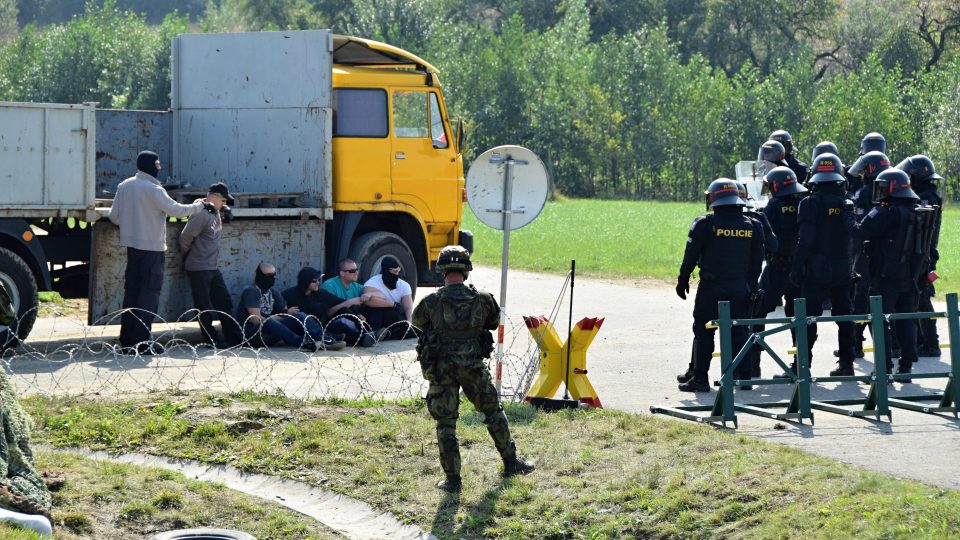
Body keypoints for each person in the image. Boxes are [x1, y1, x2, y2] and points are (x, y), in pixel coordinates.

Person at [412, 245, 535, 491]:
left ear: (441, 271)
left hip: (442, 370)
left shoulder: (431, 302)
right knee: (493, 411)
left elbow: (418, 322)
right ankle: (511, 463)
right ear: (467, 270)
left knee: (446, 423)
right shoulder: (483, 298)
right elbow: (492, 322)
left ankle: (453, 480)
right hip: (473, 367)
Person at [109, 150, 208, 355]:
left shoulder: (124, 186)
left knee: (132, 293)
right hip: (152, 249)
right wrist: (199, 206)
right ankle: (143, 341)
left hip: (132, 247)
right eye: (158, 164)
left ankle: (127, 340)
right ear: (151, 165)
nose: (159, 168)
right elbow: (178, 210)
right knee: (149, 295)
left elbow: (114, 217)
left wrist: (133, 226)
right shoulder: (154, 189)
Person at [676, 179, 764, 392]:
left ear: (713, 199)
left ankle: (700, 379)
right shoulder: (753, 225)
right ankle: (743, 377)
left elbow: (690, 256)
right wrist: (750, 288)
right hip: (739, 287)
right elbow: (756, 263)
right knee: (739, 331)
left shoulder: (705, 224)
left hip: (711, 287)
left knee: (704, 330)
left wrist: (682, 280)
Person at [854, 169, 934, 382]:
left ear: (891, 189)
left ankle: (884, 367)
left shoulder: (884, 212)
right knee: (904, 320)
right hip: (911, 277)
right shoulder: (917, 212)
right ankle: (905, 368)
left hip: (886, 277)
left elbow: (861, 231)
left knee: (879, 320)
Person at [787, 153, 857, 377]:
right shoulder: (846, 202)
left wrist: (796, 268)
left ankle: (802, 366)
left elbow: (805, 240)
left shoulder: (809, 203)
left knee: (808, 317)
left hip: (816, 267)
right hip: (843, 266)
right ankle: (847, 364)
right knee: (845, 315)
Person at [747, 166, 808, 379]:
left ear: (775, 186)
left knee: (757, 312)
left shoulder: (773, 207)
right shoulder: (803, 204)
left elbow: (765, 235)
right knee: (799, 317)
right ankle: (801, 366)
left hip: (777, 268)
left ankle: (752, 366)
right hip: (800, 269)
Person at [179, 182, 243, 348]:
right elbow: (185, 238)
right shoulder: (201, 214)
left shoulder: (213, 210)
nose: (224, 203)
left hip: (212, 266)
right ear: (214, 197)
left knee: (224, 301)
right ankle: (211, 339)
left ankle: (232, 336)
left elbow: (219, 207)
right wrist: (190, 256)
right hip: (199, 266)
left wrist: (226, 210)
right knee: (204, 306)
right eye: (223, 200)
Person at [236, 262, 345, 351]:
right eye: (267, 276)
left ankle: (324, 338)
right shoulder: (251, 291)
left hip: (271, 333)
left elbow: (284, 313)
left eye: (273, 275)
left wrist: (287, 314)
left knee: (300, 315)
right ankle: (302, 342)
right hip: (252, 335)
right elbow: (256, 320)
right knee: (268, 321)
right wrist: (284, 315)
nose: (271, 278)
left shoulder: (273, 292)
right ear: (259, 276)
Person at [897, 155, 944, 357]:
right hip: (921, 252)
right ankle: (921, 340)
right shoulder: (927, 194)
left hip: (922, 253)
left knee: (922, 297)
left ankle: (931, 343)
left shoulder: (926, 198)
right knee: (918, 296)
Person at [845, 151, 891, 357]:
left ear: (871, 170)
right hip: (886, 253)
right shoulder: (891, 191)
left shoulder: (864, 193)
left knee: (860, 298)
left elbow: (858, 228)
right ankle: (895, 348)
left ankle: (855, 345)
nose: (861, 174)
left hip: (864, 252)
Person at [282, 266, 375, 347]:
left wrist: (357, 313)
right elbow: (276, 314)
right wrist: (287, 313)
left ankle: (364, 335)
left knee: (344, 311)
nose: (318, 283)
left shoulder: (320, 294)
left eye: (319, 280)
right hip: (303, 330)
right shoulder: (289, 294)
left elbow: (341, 301)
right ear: (305, 282)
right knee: (303, 316)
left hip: (322, 325)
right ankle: (360, 339)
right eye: (314, 281)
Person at [362, 257, 417, 340]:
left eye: (398, 271)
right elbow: (368, 301)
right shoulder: (373, 282)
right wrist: (392, 304)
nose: (397, 275)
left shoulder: (404, 285)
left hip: (392, 316)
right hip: (375, 315)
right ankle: (372, 335)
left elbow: (408, 307)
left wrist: (409, 323)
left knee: (404, 327)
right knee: (377, 310)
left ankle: (386, 334)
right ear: (386, 270)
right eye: (394, 271)